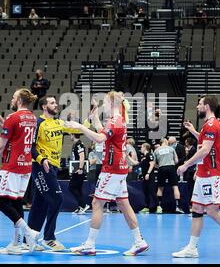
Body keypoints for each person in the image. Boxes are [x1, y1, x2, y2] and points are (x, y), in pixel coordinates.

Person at [65, 91, 149, 256]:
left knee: (97, 203)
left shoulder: (115, 120)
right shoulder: (119, 120)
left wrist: (80, 127)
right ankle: (139, 241)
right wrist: (95, 117)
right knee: (124, 204)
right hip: (120, 168)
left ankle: (89, 245)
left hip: (112, 168)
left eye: (105, 102)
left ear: (112, 103)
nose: (104, 105)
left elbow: (100, 138)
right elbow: (103, 132)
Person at [174, 95, 220, 259]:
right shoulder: (209, 125)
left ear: (207, 106)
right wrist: (193, 131)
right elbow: (205, 143)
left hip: (211, 175)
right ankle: (192, 248)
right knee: (197, 209)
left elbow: (204, 150)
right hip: (203, 174)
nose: (197, 107)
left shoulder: (211, 125)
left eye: (200, 104)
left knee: (213, 211)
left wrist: (186, 164)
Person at [28, 95, 88, 251]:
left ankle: (29, 238)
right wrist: (41, 159)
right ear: (43, 106)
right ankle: (49, 237)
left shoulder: (58, 123)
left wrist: (90, 119)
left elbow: (77, 129)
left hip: (53, 167)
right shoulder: (38, 123)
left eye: (55, 102)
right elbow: (31, 147)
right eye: (52, 103)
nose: (56, 105)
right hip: (41, 166)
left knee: (39, 203)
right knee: (57, 199)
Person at [0, 89, 40, 255]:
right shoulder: (32, 118)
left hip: (12, 166)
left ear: (20, 100)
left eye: (14, 97)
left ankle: (28, 232)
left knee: (1, 202)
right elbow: (14, 130)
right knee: (16, 202)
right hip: (26, 166)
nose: (12, 98)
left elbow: (1, 144)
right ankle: (17, 243)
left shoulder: (13, 117)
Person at [154, 138, 184, 214]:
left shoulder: (156, 150)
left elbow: (153, 163)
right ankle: (177, 207)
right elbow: (177, 161)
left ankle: (159, 207)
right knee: (175, 187)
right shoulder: (171, 149)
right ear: (165, 142)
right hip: (171, 167)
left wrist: (160, 166)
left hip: (161, 168)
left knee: (160, 188)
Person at [69, 134, 90, 214]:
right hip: (76, 169)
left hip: (79, 170)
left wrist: (81, 168)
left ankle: (84, 205)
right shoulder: (76, 144)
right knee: (77, 188)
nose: (70, 136)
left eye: (71, 135)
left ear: (73, 135)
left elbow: (82, 156)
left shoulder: (79, 144)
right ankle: (80, 207)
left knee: (71, 187)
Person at [138, 143, 156, 214]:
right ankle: (147, 207)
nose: (140, 149)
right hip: (144, 177)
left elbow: (152, 164)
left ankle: (157, 206)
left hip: (149, 176)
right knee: (146, 192)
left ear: (145, 147)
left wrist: (148, 173)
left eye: (141, 147)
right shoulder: (144, 157)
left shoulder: (149, 154)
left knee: (152, 191)